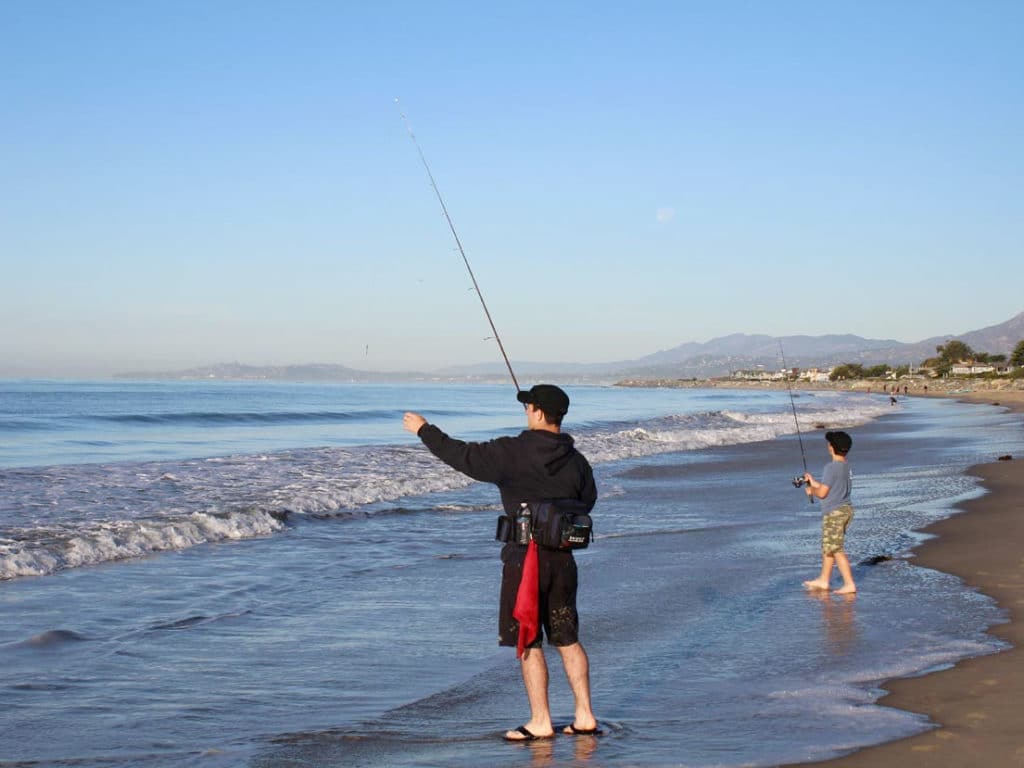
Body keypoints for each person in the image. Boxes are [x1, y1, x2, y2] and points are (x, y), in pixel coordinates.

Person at [402, 384, 601, 741]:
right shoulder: (577, 460)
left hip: (525, 562)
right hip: (563, 561)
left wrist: (423, 429)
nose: (525, 412)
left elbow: (462, 457)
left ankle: (541, 721)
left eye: (528, 407)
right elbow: (588, 501)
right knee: (567, 637)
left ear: (539, 413)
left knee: (529, 639)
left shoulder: (511, 452)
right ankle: (585, 715)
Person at [801, 430, 857, 594]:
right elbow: (831, 488)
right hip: (845, 510)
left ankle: (849, 583)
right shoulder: (845, 467)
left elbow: (823, 493)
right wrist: (813, 482)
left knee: (835, 548)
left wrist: (811, 490)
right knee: (829, 547)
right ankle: (824, 580)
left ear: (831, 447)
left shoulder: (831, 468)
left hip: (834, 513)